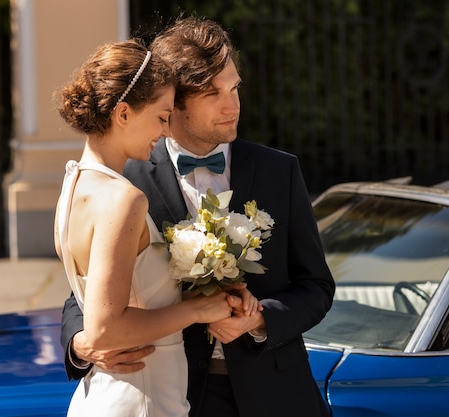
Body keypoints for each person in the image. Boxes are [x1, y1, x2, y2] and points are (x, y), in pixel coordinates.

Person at [60, 16, 336, 417]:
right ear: (173, 107)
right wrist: (81, 344)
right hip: (180, 393)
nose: (233, 105)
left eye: (235, 88)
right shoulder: (126, 183)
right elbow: (84, 291)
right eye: (212, 94)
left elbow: (317, 286)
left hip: (276, 394)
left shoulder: (280, 170)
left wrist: (259, 322)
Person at [54, 39, 260, 416]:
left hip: (112, 391)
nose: (166, 131)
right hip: (143, 399)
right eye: (162, 116)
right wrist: (199, 310)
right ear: (123, 114)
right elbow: (104, 330)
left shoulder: (74, 183)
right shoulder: (123, 199)